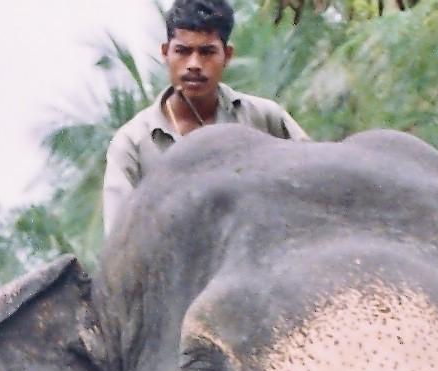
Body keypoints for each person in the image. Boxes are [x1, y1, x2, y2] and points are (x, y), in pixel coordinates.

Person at [101, 0, 308, 236]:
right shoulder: (133, 142)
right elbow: (118, 237)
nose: (194, 65)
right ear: (165, 53)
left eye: (207, 52)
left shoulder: (264, 117)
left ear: (227, 55)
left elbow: (318, 177)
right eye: (182, 51)